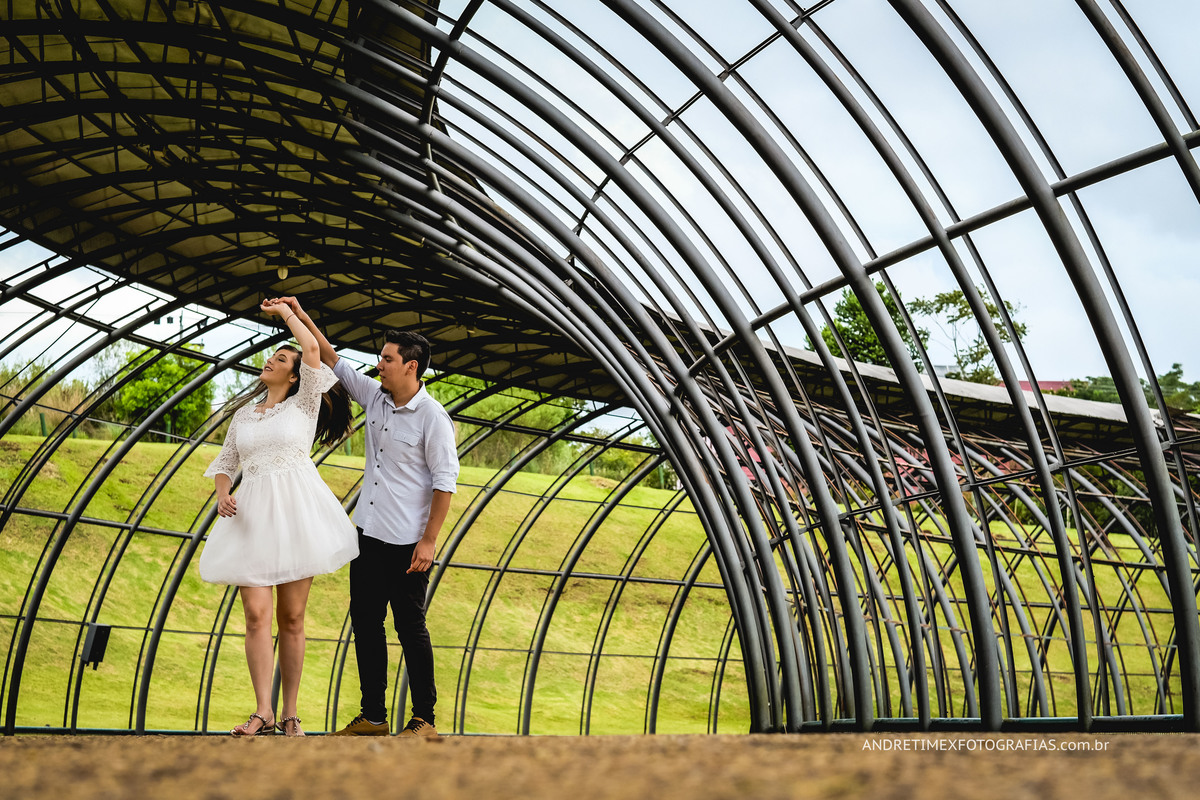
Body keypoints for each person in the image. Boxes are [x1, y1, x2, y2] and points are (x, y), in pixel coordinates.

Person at [270, 295, 458, 739]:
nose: (379, 364)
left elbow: (445, 483)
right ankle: (373, 715)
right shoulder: (375, 396)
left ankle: (424, 719)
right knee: (366, 625)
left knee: (410, 628)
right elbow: (330, 357)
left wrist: (429, 540)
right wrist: (299, 313)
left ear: (411, 367)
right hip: (368, 536)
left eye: (387, 359)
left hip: (408, 543)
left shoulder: (432, 417)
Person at [198, 299, 358, 737]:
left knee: (292, 618)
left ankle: (289, 713)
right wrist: (223, 494)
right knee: (255, 615)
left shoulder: (304, 404)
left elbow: (313, 350)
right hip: (251, 518)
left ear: (295, 376)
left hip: (296, 515)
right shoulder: (243, 416)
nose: (272, 360)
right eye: (273, 356)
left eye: (282, 359)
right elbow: (226, 462)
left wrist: (288, 313)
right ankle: (262, 711)